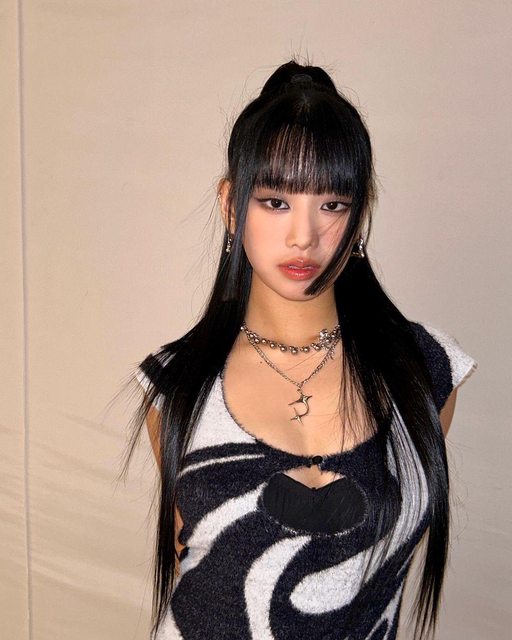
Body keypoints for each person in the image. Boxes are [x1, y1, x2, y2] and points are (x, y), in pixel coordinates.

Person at [121, 59, 478, 640]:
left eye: (332, 204)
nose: (303, 236)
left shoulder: (424, 369)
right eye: (275, 202)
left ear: (360, 213)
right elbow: (193, 565)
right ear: (230, 205)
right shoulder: (176, 383)